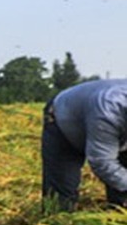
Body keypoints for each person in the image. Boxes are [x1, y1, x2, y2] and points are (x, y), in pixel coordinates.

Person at [40, 79, 127, 210]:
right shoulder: (109, 108)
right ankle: (59, 223)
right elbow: (101, 161)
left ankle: (118, 213)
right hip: (64, 122)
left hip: (110, 125)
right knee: (62, 195)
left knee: (121, 192)